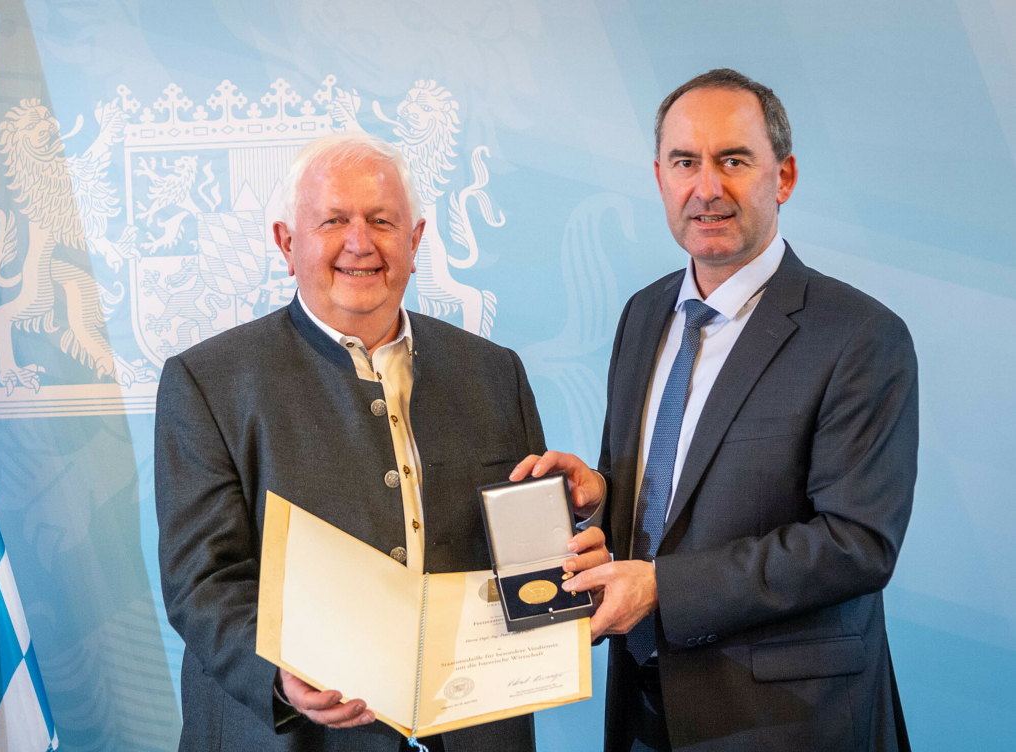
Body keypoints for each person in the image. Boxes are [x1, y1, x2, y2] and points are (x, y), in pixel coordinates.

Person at [515, 69, 918, 751]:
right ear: (659, 177)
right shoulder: (645, 314)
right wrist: (600, 497)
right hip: (643, 706)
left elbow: (857, 543)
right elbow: (670, 506)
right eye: (685, 163)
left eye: (734, 160)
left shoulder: (859, 335)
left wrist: (662, 589)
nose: (707, 187)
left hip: (786, 722)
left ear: (783, 177)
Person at [156, 132, 568, 751]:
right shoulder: (209, 381)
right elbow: (203, 581)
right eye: (333, 221)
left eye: (382, 221)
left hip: (472, 732)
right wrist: (279, 676)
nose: (360, 243)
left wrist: (574, 548)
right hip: (293, 737)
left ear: (415, 239)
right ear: (286, 243)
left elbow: (531, 557)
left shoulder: (494, 372)